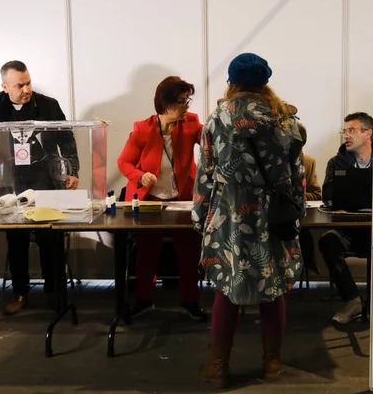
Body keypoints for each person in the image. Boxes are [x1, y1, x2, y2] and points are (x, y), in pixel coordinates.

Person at [192, 53, 305, 388]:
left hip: (229, 217)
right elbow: (295, 175)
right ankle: (273, 364)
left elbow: (206, 175)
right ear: (265, 82)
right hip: (271, 216)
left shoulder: (216, 119)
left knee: (227, 290)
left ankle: (218, 366)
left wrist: (200, 218)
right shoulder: (287, 120)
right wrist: (294, 213)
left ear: (232, 82)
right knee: (273, 289)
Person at [0, 60, 79, 315]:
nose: (26, 89)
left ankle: (53, 292)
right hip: (8, 181)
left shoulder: (48, 105)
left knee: (49, 237)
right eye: (19, 85)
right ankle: (20, 293)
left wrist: (73, 170)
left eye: (28, 83)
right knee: (17, 240)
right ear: (4, 86)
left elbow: (66, 138)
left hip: (44, 179)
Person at [117, 76, 207, 322]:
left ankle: (191, 300)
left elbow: (210, 145)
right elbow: (123, 162)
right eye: (181, 102)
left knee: (188, 251)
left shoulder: (191, 123)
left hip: (183, 197)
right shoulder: (143, 129)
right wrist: (140, 175)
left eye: (187, 100)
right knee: (147, 252)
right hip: (150, 199)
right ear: (165, 104)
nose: (186, 106)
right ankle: (144, 299)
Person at [318, 112, 373, 324]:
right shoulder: (337, 162)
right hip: (348, 230)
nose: (346, 136)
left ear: (368, 133)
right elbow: (327, 196)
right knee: (328, 241)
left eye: (352, 130)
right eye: (345, 131)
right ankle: (353, 300)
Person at [296, 123, 321, 276]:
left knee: (303, 233)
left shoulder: (308, 162)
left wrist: (297, 196)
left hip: (298, 215)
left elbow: (317, 194)